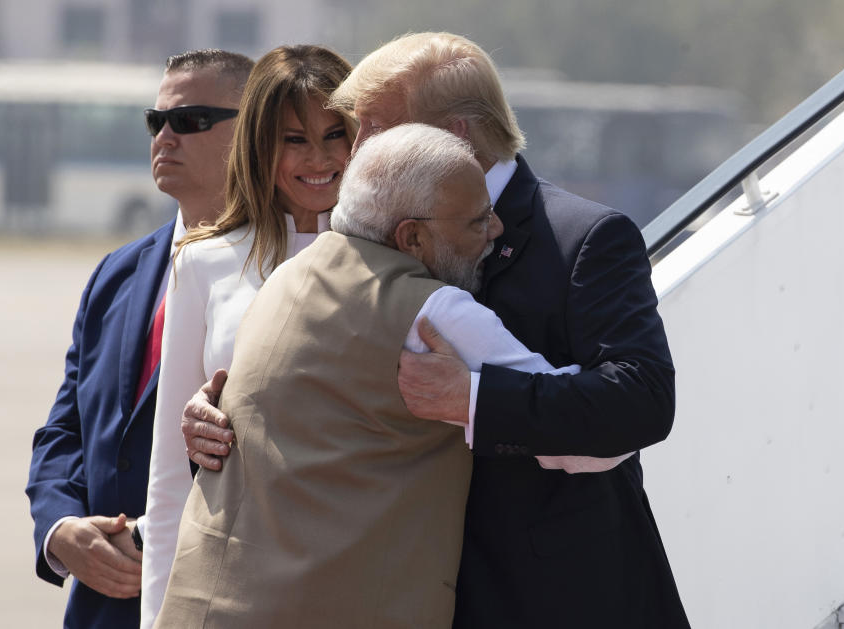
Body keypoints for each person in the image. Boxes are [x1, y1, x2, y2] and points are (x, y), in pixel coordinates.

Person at [185, 32, 690, 628]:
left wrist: (474, 398)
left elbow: (641, 400)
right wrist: (225, 416)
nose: (356, 150)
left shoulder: (585, 238)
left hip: (555, 598)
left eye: (373, 129)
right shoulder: (371, 230)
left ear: (453, 136)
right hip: (409, 594)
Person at [156, 123, 605, 628]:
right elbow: (593, 444)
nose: (496, 230)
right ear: (411, 237)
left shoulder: (290, 274)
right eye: (478, 220)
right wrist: (475, 397)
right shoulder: (438, 313)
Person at [24, 49, 253, 629]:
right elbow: (65, 430)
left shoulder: (283, 275)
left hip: (216, 602)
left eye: (191, 120)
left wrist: (153, 536)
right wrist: (61, 529)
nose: (166, 136)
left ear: (255, 131)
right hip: (101, 607)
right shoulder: (116, 273)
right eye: (157, 121)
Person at [139, 44, 354, 628]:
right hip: (236, 583)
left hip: (365, 573)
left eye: (336, 134)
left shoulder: (404, 261)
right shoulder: (203, 263)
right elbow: (165, 483)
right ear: (259, 144)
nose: (319, 158)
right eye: (293, 139)